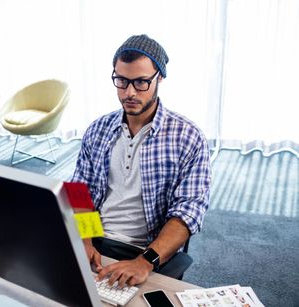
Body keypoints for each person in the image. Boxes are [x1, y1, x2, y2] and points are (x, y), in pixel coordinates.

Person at [71, 34, 211, 287]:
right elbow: (80, 192)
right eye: (121, 81)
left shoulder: (188, 137)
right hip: (96, 240)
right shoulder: (98, 129)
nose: (130, 92)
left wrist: (144, 262)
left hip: (147, 253)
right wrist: (86, 240)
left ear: (160, 78)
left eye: (141, 82)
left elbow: (188, 212)